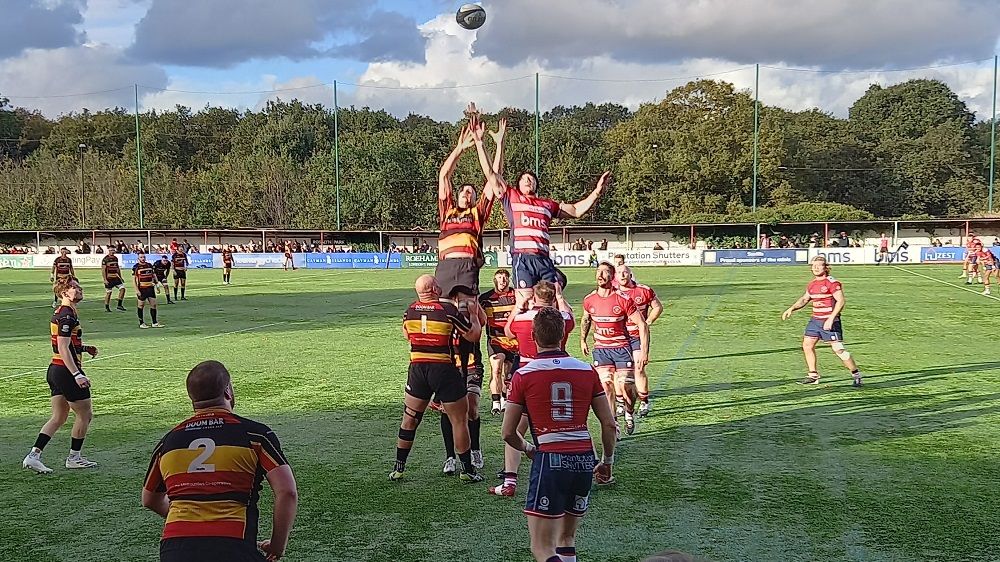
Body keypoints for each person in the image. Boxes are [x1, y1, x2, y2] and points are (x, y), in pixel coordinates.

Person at [142, 360, 298, 562]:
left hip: (176, 549)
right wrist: (277, 545)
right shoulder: (255, 435)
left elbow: (149, 499)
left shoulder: (169, 441)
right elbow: (287, 491)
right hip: (232, 545)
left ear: (192, 399)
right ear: (228, 392)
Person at [502, 307, 617, 562]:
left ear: (533, 336)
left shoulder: (524, 375)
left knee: (542, 548)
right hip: (585, 459)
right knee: (566, 539)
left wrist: (530, 449)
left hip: (550, 459)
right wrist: (607, 462)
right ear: (564, 334)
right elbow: (609, 424)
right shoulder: (587, 371)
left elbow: (508, 432)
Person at [470, 110, 610, 308]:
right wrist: (480, 143)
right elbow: (491, 174)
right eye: (524, 179)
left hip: (543, 259)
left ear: (536, 185)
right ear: (517, 185)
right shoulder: (511, 196)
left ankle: (551, 338)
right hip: (523, 259)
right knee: (525, 303)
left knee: (553, 304)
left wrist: (596, 192)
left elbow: (577, 210)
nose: (528, 180)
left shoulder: (547, 204)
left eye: (531, 178)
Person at [390, 274, 484, 483]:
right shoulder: (447, 310)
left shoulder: (410, 310)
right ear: (433, 289)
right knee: (459, 420)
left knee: (410, 418)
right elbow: (472, 335)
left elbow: (407, 335)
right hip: (443, 369)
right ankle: (467, 470)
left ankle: (399, 467)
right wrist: (475, 316)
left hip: (417, 369)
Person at [491, 280, 574, 497]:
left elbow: (508, 331)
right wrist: (561, 298)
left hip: (528, 376)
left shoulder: (523, 318)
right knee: (562, 429)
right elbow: (570, 316)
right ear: (553, 296)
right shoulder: (561, 319)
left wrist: (520, 306)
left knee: (515, 430)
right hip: (557, 374)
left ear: (534, 296)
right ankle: (573, 473)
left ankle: (510, 481)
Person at [23, 277, 99, 473]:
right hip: (65, 371)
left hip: (55, 370)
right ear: (64, 293)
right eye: (74, 287)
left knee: (58, 417)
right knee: (85, 414)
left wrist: (84, 347)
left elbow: (65, 344)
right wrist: (77, 374)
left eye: (78, 286)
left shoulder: (65, 312)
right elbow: (63, 347)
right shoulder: (66, 315)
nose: (79, 289)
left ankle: (33, 455)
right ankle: (74, 457)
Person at [581, 262, 649, 436]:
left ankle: (629, 412)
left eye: (605, 272)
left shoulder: (623, 299)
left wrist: (644, 351)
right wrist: (583, 340)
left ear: (612, 277)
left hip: (621, 348)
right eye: (598, 271)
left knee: (626, 387)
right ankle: (614, 426)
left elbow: (642, 324)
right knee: (606, 386)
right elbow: (586, 320)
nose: (601, 275)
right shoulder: (589, 299)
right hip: (601, 349)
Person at [781, 255, 863, 387]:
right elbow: (804, 299)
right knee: (807, 345)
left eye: (819, 265)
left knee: (839, 350)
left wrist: (831, 318)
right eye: (813, 266)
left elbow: (841, 301)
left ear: (826, 267)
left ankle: (856, 374)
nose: (815, 268)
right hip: (815, 320)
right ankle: (813, 375)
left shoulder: (832, 283)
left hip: (830, 321)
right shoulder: (812, 284)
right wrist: (792, 308)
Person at [615, 265, 663, 417]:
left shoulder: (643, 290)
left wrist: (647, 322)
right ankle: (621, 403)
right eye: (619, 273)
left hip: (637, 336)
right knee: (619, 371)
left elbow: (657, 307)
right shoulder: (613, 293)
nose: (622, 275)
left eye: (625, 272)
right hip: (620, 338)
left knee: (639, 368)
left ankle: (644, 401)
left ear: (630, 274)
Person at [479, 269, 519, 415]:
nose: (502, 280)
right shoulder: (485, 298)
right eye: (499, 278)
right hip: (495, 340)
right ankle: (496, 402)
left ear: (509, 280)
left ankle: (504, 399)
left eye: (505, 278)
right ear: (494, 280)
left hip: (514, 341)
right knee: (496, 369)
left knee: (508, 372)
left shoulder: (516, 296)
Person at [133, 252, 163, 328]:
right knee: (141, 305)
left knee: (153, 305)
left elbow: (154, 275)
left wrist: (157, 285)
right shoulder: (136, 267)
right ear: (138, 258)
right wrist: (137, 290)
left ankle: (154, 322)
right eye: (141, 257)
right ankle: (141, 323)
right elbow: (134, 280)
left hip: (150, 288)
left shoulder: (149, 265)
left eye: (144, 257)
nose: (143, 259)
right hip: (142, 288)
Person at [101, 247, 127, 312]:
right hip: (109, 278)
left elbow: (117, 268)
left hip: (115, 277)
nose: (112, 251)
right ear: (108, 251)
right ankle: (107, 307)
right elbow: (103, 270)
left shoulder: (115, 258)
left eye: (113, 250)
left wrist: (120, 277)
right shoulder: (105, 259)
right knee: (109, 293)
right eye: (111, 250)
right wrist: (105, 279)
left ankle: (119, 305)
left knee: (123, 289)